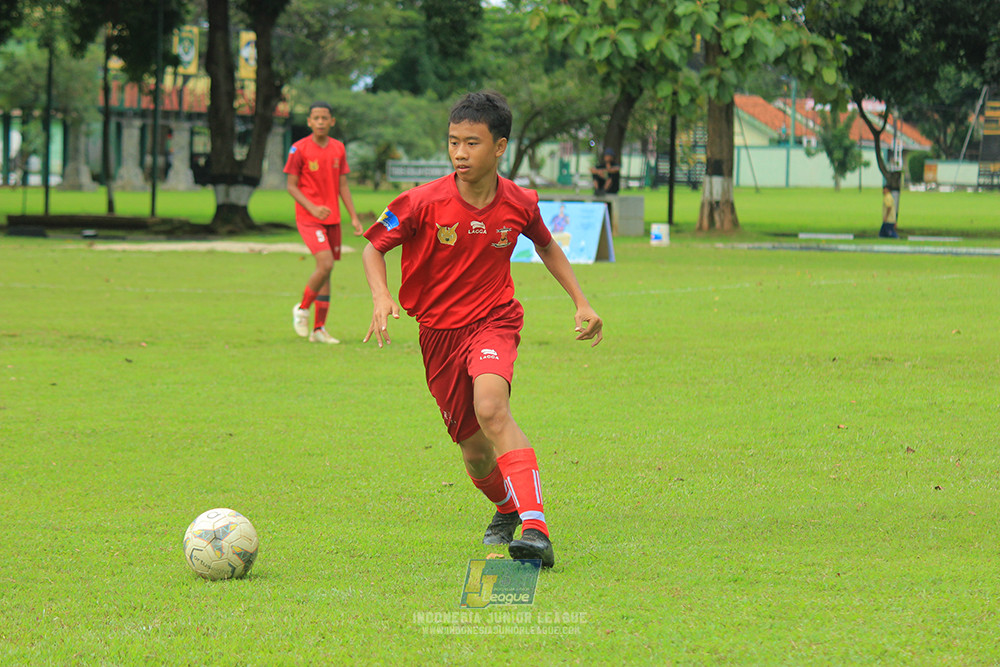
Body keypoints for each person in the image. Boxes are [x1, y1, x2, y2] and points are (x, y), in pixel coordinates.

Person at [361, 91, 603, 568]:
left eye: (472, 143)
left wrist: (581, 301)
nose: (459, 154)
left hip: (493, 320)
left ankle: (535, 528)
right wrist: (381, 296)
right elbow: (373, 248)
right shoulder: (421, 202)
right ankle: (506, 507)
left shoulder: (519, 201)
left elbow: (548, 246)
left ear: (499, 147)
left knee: (492, 408)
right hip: (437, 334)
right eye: (453, 143)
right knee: (474, 453)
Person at [285, 101, 364, 344]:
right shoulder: (298, 149)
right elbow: (291, 186)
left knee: (327, 272)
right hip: (309, 219)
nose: (320, 122)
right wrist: (311, 207)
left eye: (324, 118)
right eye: (315, 118)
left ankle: (319, 329)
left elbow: (342, 185)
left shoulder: (338, 148)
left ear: (332, 122)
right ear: (309, 122)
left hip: (333, 219)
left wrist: (353, 216)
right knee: (326, 264)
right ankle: (303, 308)